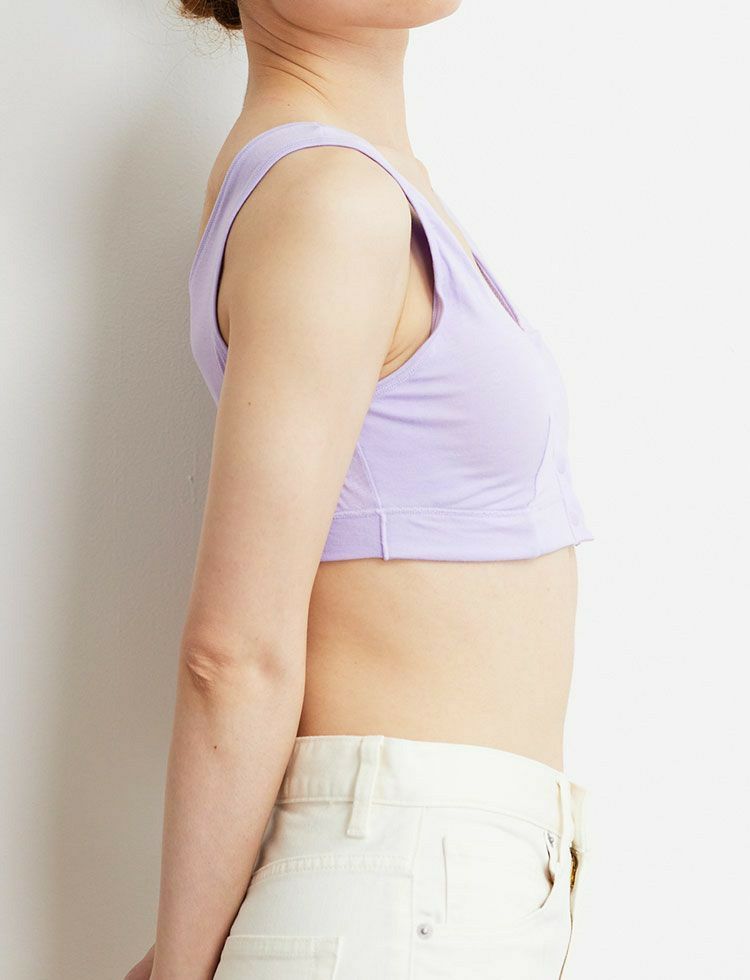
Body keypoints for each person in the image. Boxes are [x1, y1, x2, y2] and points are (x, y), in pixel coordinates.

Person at [126, 1, 594, 977]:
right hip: (403, 884)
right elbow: (232, 652)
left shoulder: (356, 182)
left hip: (434, 884)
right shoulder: (331, 200)